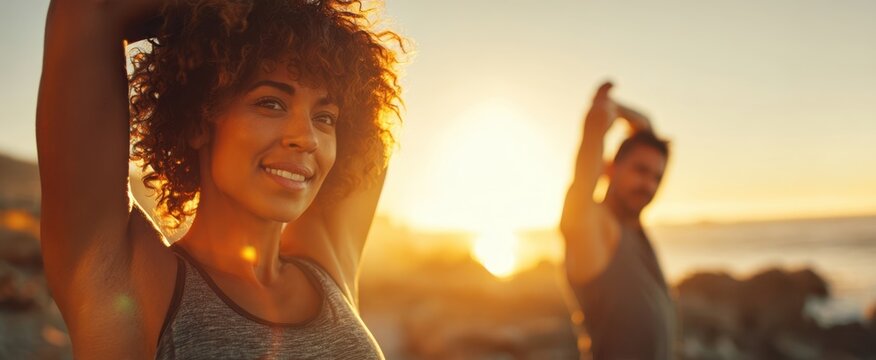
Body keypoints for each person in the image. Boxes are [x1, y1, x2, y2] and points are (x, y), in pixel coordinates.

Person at [36, 0, 404, 358]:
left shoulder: (328, 262)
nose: (306, 138)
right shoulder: (132, 278)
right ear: (199, 121)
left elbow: (371, 115)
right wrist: (220, 17)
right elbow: (88, 8)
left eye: (325, 117)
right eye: (271, 103)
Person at [560, 82, 676, 359]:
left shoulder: (633, 226)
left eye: (656, 177)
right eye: (640, 171)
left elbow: (646, 127)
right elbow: (581, 194)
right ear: (610, 168)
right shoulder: (596, 230)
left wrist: (618, 108)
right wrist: (596, 129)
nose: (648, 185)